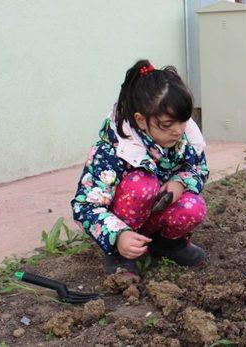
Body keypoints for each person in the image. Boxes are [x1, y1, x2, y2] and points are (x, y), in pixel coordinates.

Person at [71, 60, 209, 277]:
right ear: (141, 120)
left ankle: (166, 245)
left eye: (183, 121)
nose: (178, 131)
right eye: (167, 125)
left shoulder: (185, 137)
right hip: (121, 221)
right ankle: (119, 254)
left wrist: (181, 181)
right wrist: (118, 235)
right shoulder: (113, 150)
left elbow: (198, 168)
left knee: (193, 206)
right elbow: (85, 205)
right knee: (142, 184)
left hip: (154, 215)